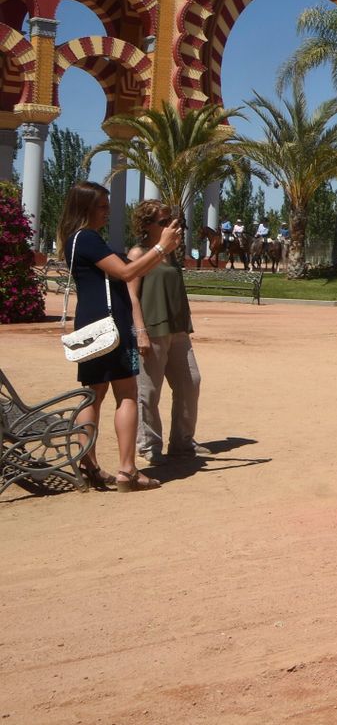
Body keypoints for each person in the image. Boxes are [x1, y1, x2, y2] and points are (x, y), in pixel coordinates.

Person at [58, 181, 182, 492]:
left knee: (93, 393)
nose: (107, 212)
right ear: (85, 207)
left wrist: (163, 249)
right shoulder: (88, 238)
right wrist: (161, 247)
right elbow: (127, 274)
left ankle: (89, 466)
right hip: (112, 325)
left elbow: (135, 269)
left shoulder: (75, 239)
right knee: (126, 394)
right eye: (102, 206)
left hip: (92, 325)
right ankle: (127, 470)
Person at [127, 200, 208, 464]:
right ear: (146, 225)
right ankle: (149, 445)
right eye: (163, 222)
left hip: (177, 329)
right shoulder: (138, 253)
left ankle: (182, 442)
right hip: (151, 329)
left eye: (171, 221)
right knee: (149, 391)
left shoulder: (171, 253)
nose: (171, 226)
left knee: (190, 382)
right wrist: (139, 331)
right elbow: (132, 296)